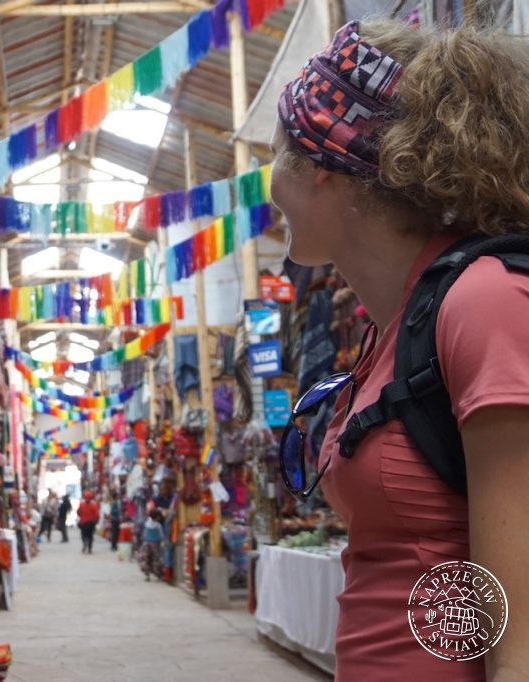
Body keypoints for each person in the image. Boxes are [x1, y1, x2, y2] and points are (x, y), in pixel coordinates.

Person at [271, 19, 529, 680]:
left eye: (278, 150)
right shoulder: (391, 328)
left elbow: (521, 646)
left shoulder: (481, 306)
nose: (266, 180)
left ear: (324, 168)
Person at [139, 508, 164, 581]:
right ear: (157, 517)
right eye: (159, 516)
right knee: (156, 558)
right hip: (155, 544)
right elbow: (161, 535)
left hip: (146, 543)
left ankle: (147, 575)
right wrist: (162, 541)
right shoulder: (158, 525)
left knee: (146, 559)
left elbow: (144, 534)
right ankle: (157, 574)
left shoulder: (147, 524)